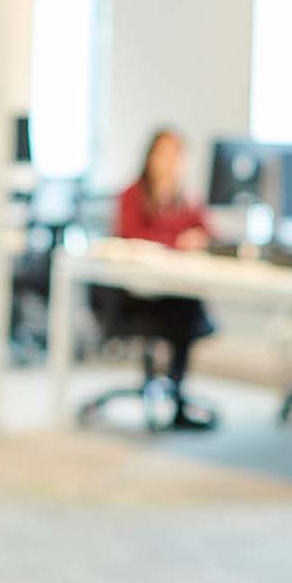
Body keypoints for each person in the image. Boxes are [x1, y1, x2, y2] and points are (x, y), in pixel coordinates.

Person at [111, 127, 218, 430]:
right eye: (165, 153)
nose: (171, 162)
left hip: (173, 293)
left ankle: (177, 394)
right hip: (135, 296)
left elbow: (209, 234)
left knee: (188, 304)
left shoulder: (185, 198)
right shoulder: (132, 195)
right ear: (150, 157)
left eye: (177, 155)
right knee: (184, 309)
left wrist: (197, 238)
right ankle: (174, 391)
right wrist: (178, 241)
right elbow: (133, 236)